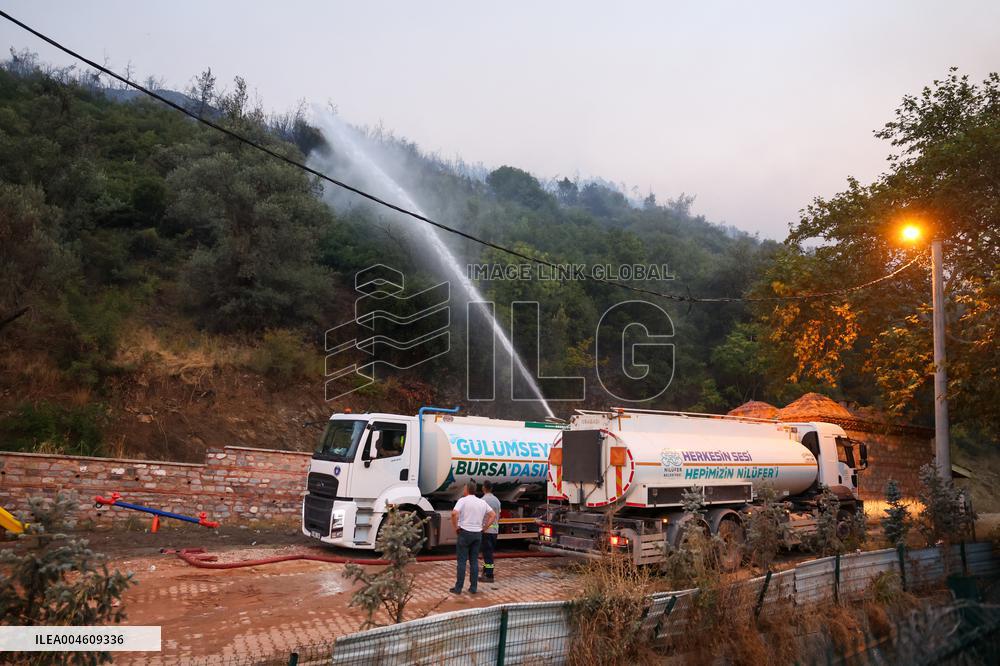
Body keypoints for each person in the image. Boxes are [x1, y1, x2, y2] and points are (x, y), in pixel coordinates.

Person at [450, 481, 495, 594]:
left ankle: (458, 588)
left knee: (462, 562)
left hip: (465, 533)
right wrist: (484, 528)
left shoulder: (463, 501)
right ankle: (473, 588)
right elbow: (493, 515)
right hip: (477, 534)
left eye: (464, 488)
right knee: (474, 561)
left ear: (467, 489)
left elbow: (454, 513)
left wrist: (456, 527)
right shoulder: (482, 502)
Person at [480, 480, 501, 583]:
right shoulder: (497, 501)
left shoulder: (483, 500)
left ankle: (489, 575)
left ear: (483, 488)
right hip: (495, 531)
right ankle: (485, 571)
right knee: (489, 553)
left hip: (487, 531)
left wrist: (482, 528)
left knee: (487, 554)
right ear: (491, 488)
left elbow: (481, 516)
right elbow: (498, 516)